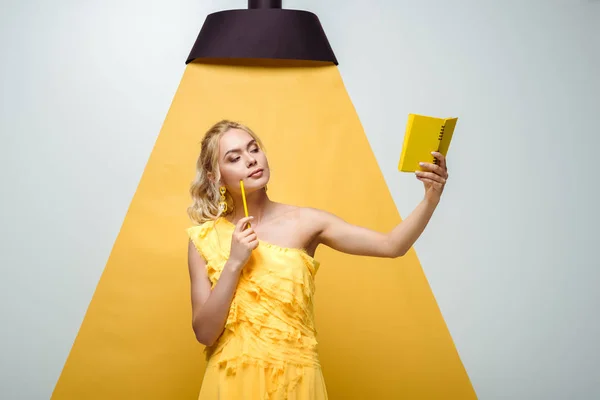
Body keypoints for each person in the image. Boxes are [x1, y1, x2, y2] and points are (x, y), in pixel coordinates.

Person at [186, 120, 449, 399]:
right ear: (215, 176)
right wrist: (234, 263)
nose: (251, 160)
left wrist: (431, 198)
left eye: (254, 149)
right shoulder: (203, 239)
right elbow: (204, 333)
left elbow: (392, 245)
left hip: (297, 380)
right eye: (235, 158)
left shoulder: (307, 222)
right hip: (232, 383)